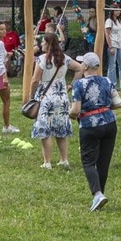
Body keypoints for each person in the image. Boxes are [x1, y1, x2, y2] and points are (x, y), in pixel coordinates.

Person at [69, 52, 121, 211]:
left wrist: (71, 114)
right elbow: (118, 103)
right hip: (110, 123)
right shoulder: (107, 80)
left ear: (85, 66)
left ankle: (97, 194)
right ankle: (100, 196)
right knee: (103, 163)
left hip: (89, 125)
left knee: (88, 162)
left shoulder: (79, 84)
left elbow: (76, 109)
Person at [29, 33, 84, 169]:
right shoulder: (64, 58)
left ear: (48, 44)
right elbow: (80, 68)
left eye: (43, 42)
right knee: (61, 129)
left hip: (46, 96)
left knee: (45, 130)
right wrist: (71, 85)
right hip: (61, 96)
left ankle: (47, 161)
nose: (41, 44)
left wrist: (31, 95)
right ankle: (64, 159)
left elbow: (35, 79)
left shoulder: (42, 59)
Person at [104, 6, 121, 89]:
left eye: (119, 10)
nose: (118, 11)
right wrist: (110, 47)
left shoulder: (118, 21)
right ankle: (111, 84)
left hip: (119, 45)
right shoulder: (109, 21)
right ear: (112, 11)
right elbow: (107, 34)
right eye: (116, 10)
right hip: (113, 44)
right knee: (112, 65)